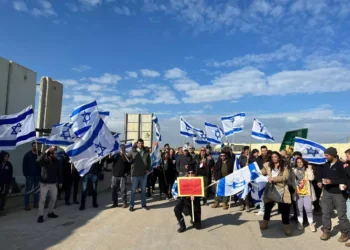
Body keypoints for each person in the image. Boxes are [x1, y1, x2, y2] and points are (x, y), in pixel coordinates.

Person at [317, 147, 349, 243]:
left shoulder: (342, 165)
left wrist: (332, 181)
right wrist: (320, 182)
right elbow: (321, 175)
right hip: (327, 192)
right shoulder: (325, 165)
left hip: (339, 194)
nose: (325, 156)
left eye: (327, 155)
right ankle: (326, 230)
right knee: (325, 212)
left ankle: (345, 232)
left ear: (333, 155)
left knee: (341, 214)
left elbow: (346, 180)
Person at [260, 151, 292, 236]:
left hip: (281, 189)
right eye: (272, 157)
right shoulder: (267, 165)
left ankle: (286, 226)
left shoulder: (284, 165)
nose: (274, 158)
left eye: (276, 157)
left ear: (279, 157)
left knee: (284, 209)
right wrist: (255, 172)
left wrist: (274, 179)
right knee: (267, 207)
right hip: (270, 189)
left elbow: (285, 177)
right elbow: (261, 172)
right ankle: (265, 222)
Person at [290, 157, 316, 232]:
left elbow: (311, 178)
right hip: (298, 193)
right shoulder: (294, 170)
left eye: (301, 162)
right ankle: (300, 222)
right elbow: (291, 181)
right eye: (298, 162)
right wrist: (294, 185)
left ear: (303, 162)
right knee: (299, 209)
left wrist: (309, 168)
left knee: (308, 209)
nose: (299, 163)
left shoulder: (307, 169)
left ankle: (311, 223)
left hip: (307, 193)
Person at [37, 147, 62, 223]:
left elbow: (59, 172)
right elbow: (38, 160)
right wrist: (44, 152)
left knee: (53, 199)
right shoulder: (44, 161)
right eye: (55, 154)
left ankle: (50, 212)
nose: (56, 155)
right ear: (51, 154)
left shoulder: (56, 161)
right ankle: (40, 215)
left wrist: (60, 181)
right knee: (42, 200)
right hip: (44, 184)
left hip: (53, 184)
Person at [173, 165, 201, 233]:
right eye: (189, 173)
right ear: (187, 174)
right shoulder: (183, 180)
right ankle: (182, 225)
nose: (190, 174)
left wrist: (195, 196)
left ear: (194, 174)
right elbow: (179, 191)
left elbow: (201, 193)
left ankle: (193, 219)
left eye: (192, 173)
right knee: (176, 209)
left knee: (198, 227)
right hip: (185, 201)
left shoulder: (198, 181)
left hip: (194, 203)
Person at [127, 138, 151, 212]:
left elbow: (149, 162)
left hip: (144, 174)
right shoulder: (133, 151)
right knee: (133, 190)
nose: (140, 144)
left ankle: (143, 204)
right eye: (139, 143)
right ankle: (131, 205)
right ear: (137, 144)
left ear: (143, 144)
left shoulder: (146, 152)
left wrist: (148, 170)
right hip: (135, 174)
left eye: (141, 143)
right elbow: (127, 158)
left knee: (143, 190)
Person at [22, 142, 41, 210]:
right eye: (33, 146)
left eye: (36, 146)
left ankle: (36, 204)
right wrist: (26, 174)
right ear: (32, 147)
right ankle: (27, 205)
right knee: (28, 190)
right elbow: (24, 165)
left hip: (38, 175)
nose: (35, 147)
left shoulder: (40, 154)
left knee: (36, 191)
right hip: (29, 176)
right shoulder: (27, 155)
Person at [0, 151, 13, 216]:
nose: (7, 158)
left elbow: (10, 175)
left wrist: (10, 186)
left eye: (7, 156)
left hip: (6, 184)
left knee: (3, 197)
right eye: (5, 156)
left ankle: (1, 210)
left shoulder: (9, 165)